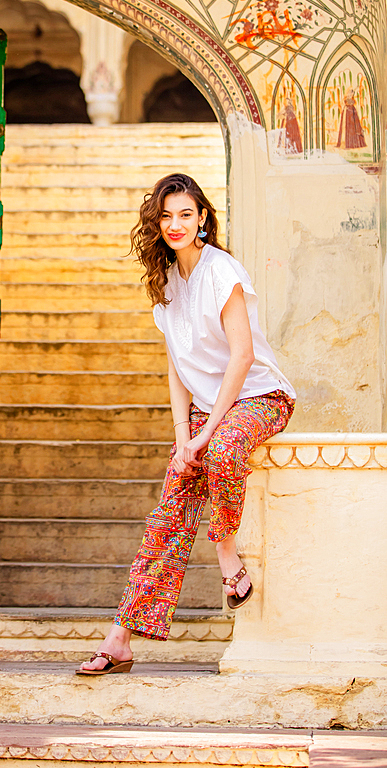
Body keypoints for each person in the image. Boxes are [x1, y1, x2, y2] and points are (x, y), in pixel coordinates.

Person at [77, 173, 296, 676]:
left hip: (260, 396)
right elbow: (177, 364)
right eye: (165, 215)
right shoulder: (165, 281)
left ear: (202, 218)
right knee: (168, 513)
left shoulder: (223, 271)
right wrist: (183, 437)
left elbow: (241, 356)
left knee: (219, 451)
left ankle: (226, 557)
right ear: (157, 222)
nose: (174, 224)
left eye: (185, 214)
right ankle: (121, 638)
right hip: (203, 411)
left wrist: (204, 432)